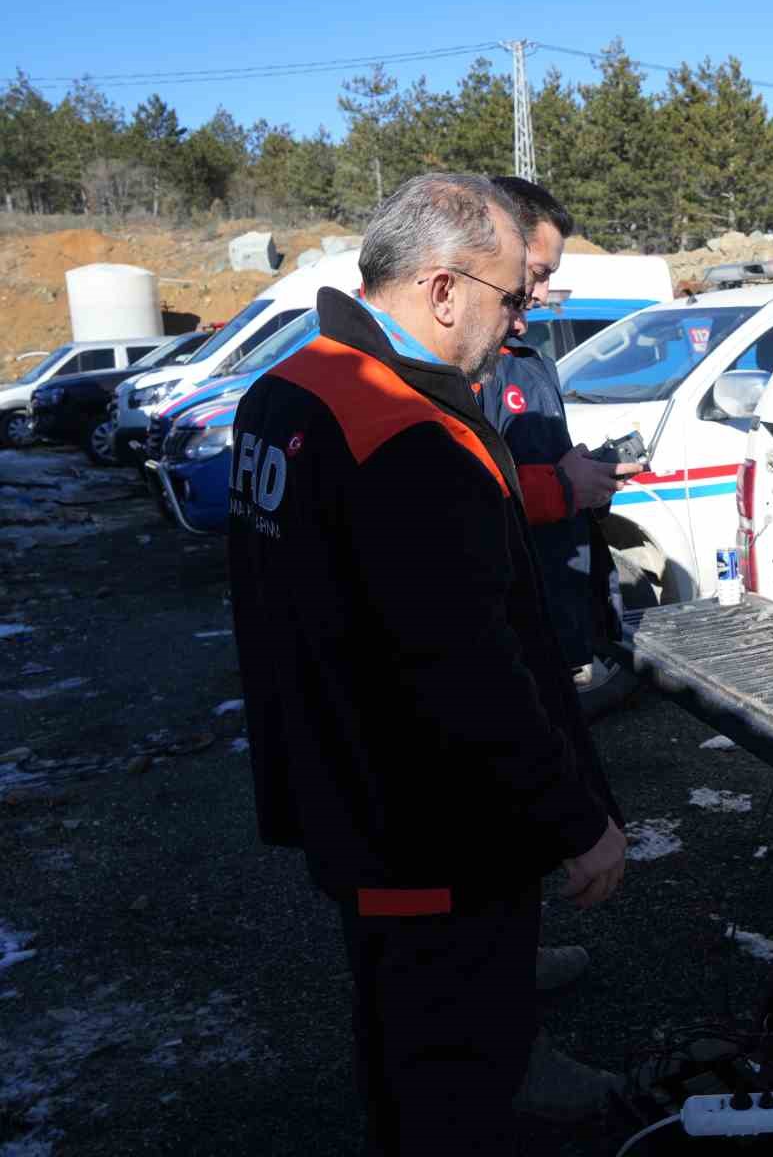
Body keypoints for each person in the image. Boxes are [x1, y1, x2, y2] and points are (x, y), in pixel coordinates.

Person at [227, 172, 626, 1155]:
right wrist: (577, 820)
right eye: (513, 296)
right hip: (431, 829)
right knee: (455, 1077)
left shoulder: (285, 391)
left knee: (400, 1039)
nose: (521, 319)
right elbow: (469, 671)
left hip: (342, 798)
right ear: (443, 290)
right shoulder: (410, 435)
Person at [475, 176, 642, 1120]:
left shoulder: (521, 345)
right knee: (505, 796)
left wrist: (577, 486)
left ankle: (516, 952)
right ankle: (510, 1059)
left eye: (546, 279)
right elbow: (464, 489)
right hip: (499, 608)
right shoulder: (450, 367)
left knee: (513, 830)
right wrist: (554, 490)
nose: (539, 295)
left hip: (540, 593)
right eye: (532, 275)